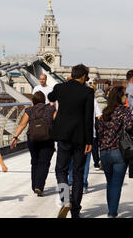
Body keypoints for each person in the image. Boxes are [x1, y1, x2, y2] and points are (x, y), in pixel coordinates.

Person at [48, 64, 94, 218]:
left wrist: (65, 83)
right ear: (83, 76)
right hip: (80, 137)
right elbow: (89, 118)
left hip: (63, 135)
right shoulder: (88, 91)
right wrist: (89, 141)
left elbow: (50, 98)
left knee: (60, 170)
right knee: (78, 173)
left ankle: (65, 199)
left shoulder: (60, 88)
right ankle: (75, 211)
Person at [97, 86, 133, 218]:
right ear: (120, 97)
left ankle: (111, 210)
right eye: (125, 95)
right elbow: (129, 126)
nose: (126, 97)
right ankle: (112, 213)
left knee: (110, 183)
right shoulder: (124, 110)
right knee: (116, 184)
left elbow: (100, 133)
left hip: (105, 152)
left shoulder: (105, 112)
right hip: (119, 152)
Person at [10, 91, 56, 197]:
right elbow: (56, 121)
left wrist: (15, 137)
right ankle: (39, 186)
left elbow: (22, 124)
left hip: (32, 139)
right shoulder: (50, 109)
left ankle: (34, 185)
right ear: (44, 100)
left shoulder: (29, 110)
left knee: (35, 162)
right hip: (47, 139)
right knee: (44, 163)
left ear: (33, 101)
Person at [69, 89, 102, 194]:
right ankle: (83, 184)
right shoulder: (92, 100)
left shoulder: (72, 99)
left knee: (72, 160)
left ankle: (71, 183)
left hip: (74, 134)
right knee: (85, 161)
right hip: (89, 134)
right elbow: (99, 116)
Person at [93, 89, 107, 170]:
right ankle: (102, 161)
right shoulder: (106, 103)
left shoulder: (94, 102)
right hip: (103, 125)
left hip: (95, 124)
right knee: (102, 144)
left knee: (94, 146)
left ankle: (96, 162)